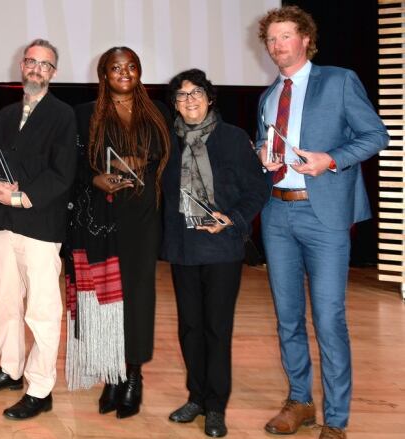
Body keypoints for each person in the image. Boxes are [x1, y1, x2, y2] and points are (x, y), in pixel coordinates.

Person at [255, 6, 388, 439]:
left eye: (286, 36)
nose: (278, 45)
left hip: (323, 214)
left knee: (329, 318)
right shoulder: (268, 96)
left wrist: (331, 159)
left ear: (305, 39)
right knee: (287, 316)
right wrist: (262, 152)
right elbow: (268, 141)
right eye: (271, 39)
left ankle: (336, 419)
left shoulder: (339, 80)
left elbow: (375, 135)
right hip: (277, 212)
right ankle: (300, 401)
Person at [0, 39, 77, 420]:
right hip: (3, 224)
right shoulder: (5, 114)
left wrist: (20, 197)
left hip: (40, 227)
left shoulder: (64, 116)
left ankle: (41, 387)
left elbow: (63, 173)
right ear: (21, 65)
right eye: (31, 62)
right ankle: (10, 369)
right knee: (7, 304)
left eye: (44, 65)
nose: (36, 69)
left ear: (54, 73)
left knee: (43, 311)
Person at [65, 46, 171, 419]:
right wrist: (96, 178)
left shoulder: (158, 112)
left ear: (139, 71)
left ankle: (133, 375)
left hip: (141, 217)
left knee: (138, 295)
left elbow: (164, 157)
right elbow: (72, 164)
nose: (124, 73)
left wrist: (142, 161)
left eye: (131, 67)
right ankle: (112, 372)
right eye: (115, 67)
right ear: (103, 74)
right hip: (99, 215)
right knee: (105, 297)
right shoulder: (83, 114)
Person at [162, 69, 269, 437]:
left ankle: (215, 407)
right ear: (174, 103)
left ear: (210, 98)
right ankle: (195, 396)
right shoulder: (167, 143)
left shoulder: (233, 138)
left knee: (216, 329)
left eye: (197, 93)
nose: (189, 100)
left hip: (222, 247)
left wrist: (233, 218)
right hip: (183, 247)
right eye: (181, 94)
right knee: (189, 327)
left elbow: (259, 188)